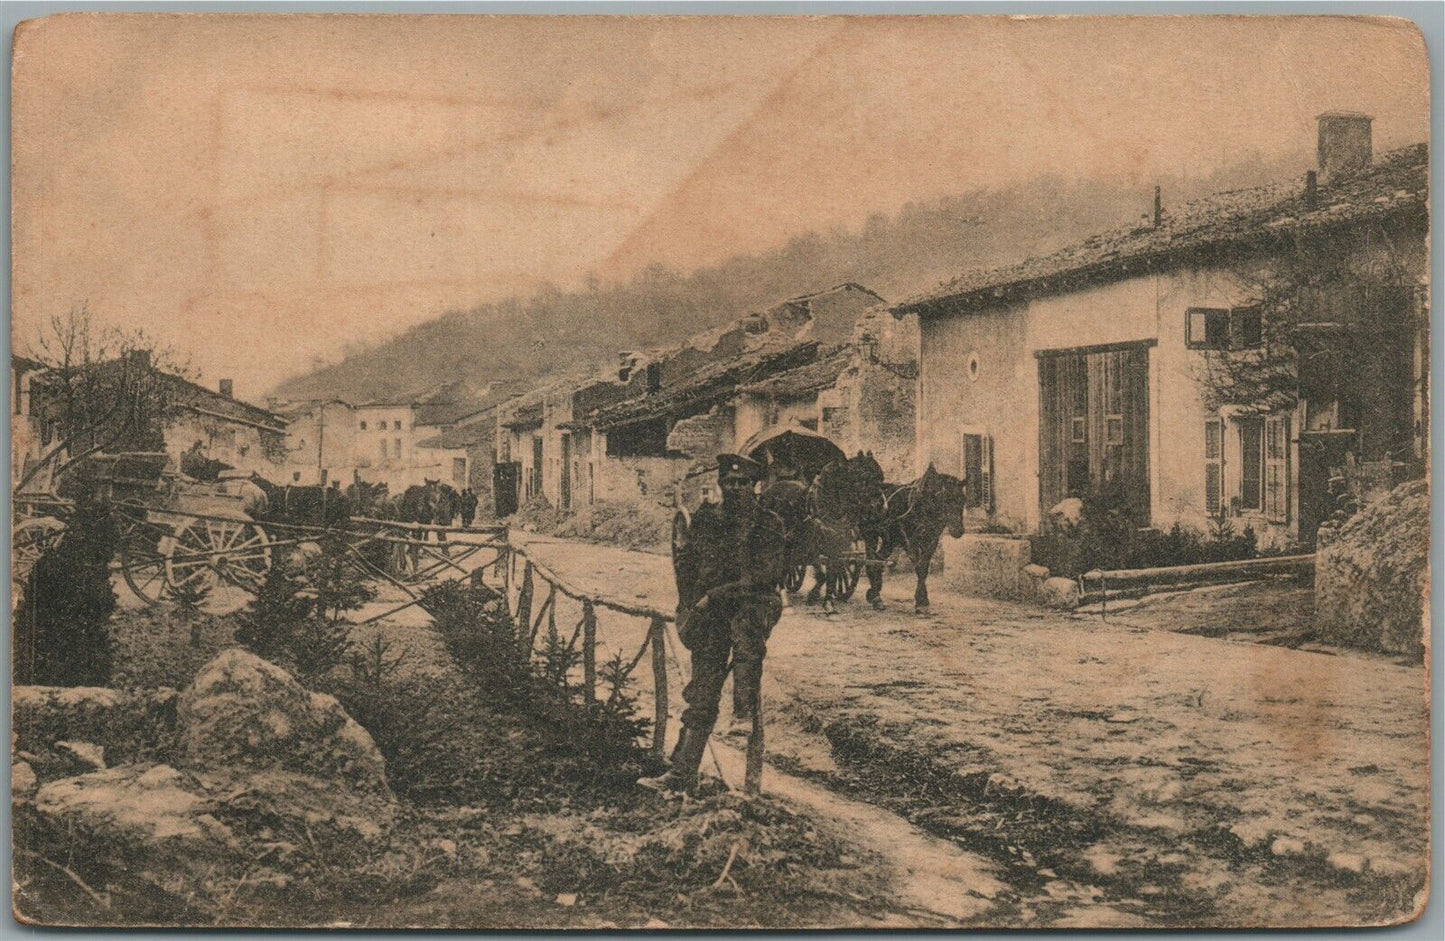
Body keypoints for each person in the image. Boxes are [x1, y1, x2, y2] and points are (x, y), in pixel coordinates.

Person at [640, 453, 788, 794]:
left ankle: (742, 713)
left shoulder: (768, 523)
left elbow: (765, 576)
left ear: (754, 486)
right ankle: (681, 774)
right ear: (721, 484)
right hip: (712, 614)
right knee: (702, 693)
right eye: (729, 482)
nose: (735, 488)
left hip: (752, 603)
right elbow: (690, 568)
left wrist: (715, 595)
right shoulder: (706, 520)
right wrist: (690, 605)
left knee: (746, 637)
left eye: (743, 483)